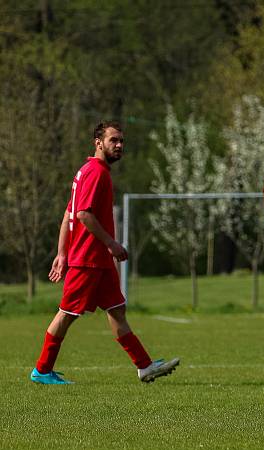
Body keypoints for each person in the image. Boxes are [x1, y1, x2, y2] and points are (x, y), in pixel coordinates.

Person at [31, 122, 180, 385]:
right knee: (66, 314)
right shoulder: (96, 172)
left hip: (97, 261)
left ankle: (144, 366)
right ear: (98, 142)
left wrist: (61, 252)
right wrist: (111, 243)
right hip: (88, 260)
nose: (119, 145)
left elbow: (68, 214)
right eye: (113, 140)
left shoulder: (88, 171)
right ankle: (42, 370)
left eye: (121, 141)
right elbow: (82, 214)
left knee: (117, 311)